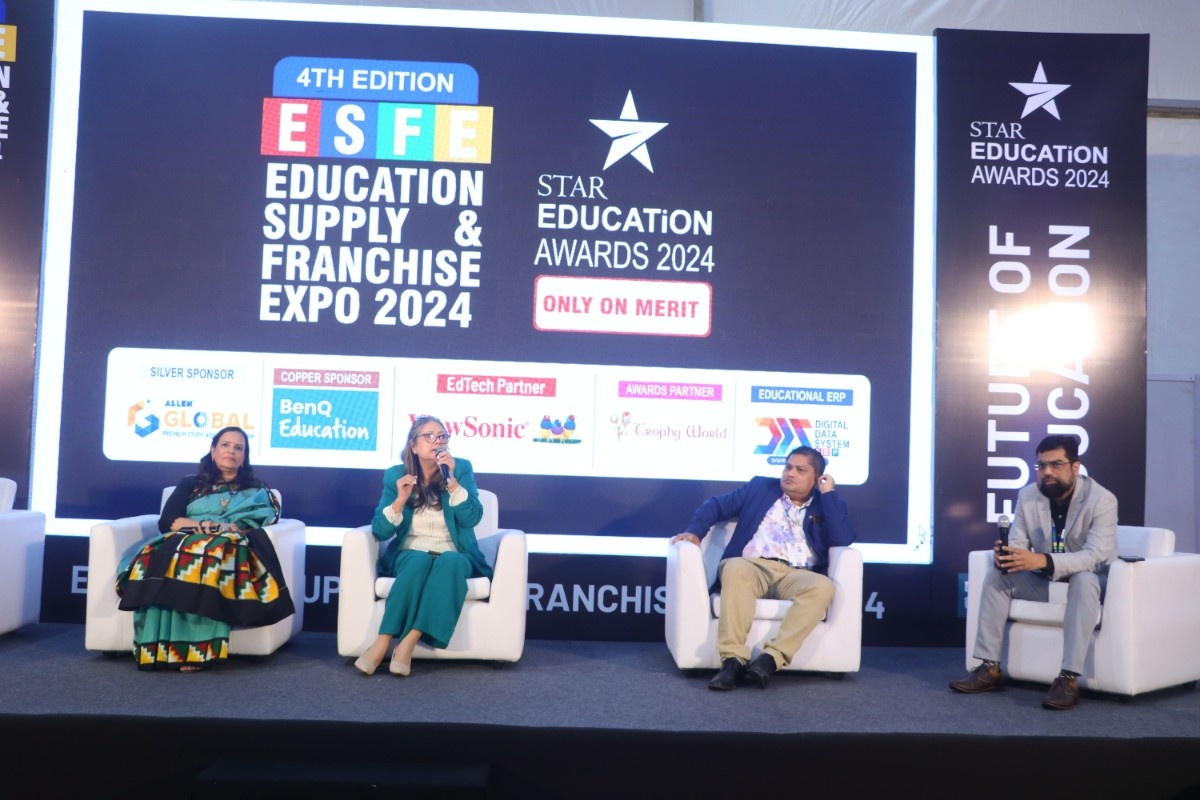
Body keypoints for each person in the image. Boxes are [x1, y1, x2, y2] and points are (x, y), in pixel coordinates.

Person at [950, 433, 1118, 710]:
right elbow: (1018, 543)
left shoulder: (1102, 500)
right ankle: (989, 667)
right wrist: (1008, 555)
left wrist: (1042, 560)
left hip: (1090, 583)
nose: (1047, 472)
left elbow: (1096, 557)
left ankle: (1068, 678)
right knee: (998, 575)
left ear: (1075, 467)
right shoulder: (1028, 495)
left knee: (1085, 579)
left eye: (1056, 464)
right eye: (1041, 465)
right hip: (1047, 582)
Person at [671, 446, 856, 690]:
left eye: (800, 470)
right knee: (735, 568)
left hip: (797, 574)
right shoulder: (760, 488)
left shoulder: (826, 503)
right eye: (788, 467)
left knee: (823, 586)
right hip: (753, 567)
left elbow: (842, 538)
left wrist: (828, 494)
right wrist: (695, 533)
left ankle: (770, 660)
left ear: (816, 479)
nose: (790, 473)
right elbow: (715, 506)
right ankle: (732, 662)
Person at [116, 426, 295, 671]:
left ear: (244, 457)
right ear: (213, 451)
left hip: (230, 544)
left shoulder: (256, 490)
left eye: (238, 447)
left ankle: (197, 651)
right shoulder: (191, 483)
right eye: (225, 445)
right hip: (186, 538)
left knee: (210, 554)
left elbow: (258, 523)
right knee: (166, 554)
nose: (231, 451)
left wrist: (223, 532)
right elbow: (168, 521)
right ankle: (162, 648)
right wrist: (212, 527)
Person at [353, 415, 493, 677]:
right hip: (410, 551)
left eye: (442, 436)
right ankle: (382, 641)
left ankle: (408, 643)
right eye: (429, 436)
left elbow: (472, 518)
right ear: (413, 446)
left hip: (454, 552)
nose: (437, 441)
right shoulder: (396, 475)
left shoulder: (460, 468)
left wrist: (452, 482)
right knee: (418, 561)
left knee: (451, 562)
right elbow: (380, 531)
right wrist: (399, 500)